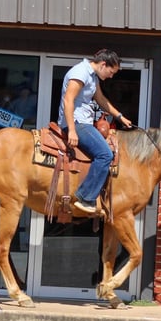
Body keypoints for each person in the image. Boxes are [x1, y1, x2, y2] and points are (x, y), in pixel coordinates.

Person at [57, 49, 132, 214]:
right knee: (105, 154)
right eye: (111, 72)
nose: (111, 76)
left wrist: (119, 116)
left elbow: (101, 99)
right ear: (103, 64)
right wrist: (71, 130)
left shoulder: (92, 76)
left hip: (83, 122)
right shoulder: (80, 72)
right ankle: (85, 197)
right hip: (77, 123)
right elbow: (68, 100)